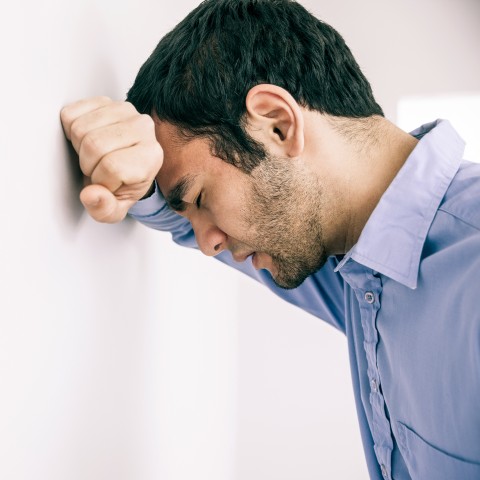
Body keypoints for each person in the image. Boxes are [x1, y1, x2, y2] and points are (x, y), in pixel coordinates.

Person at [60, 0, 480, 478]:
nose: (207, 243)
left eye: (199, 198)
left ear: (278, 124)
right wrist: (135, 179)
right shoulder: (359, 265)